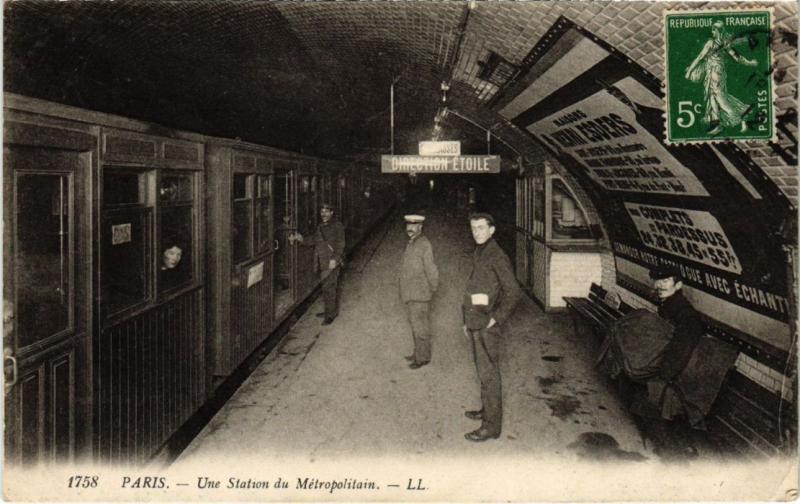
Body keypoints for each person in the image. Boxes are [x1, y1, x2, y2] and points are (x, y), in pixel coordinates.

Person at [462, 213, 522, 442]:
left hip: (487, 324)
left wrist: (496, 318)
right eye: (473, 228)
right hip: (475, 320)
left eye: (481, 228)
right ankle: (487, 411)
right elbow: (474, 287)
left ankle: (491, 427)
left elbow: (513, 291)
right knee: (483, 371)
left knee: (489, 374)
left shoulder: (496, 255)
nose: (476, 232)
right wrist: (465, 320)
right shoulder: (481, 251)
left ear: (492, 230)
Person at [684, 20, 758, 135]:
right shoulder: (724, 43)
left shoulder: (712, 43)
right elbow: (736, 57)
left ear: (716, 30)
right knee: (712, 96)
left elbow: (700, 57)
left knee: (719, 97)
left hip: (715, 73)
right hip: (714, 72)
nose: (712, 31)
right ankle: (716, 123)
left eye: (714, 29)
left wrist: (689, 71)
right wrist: (748, 63)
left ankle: (738, 117)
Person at [290, 202, 345, 325]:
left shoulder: (337, 226)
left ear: (332, 212)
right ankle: (328, 311)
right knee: (326, 287)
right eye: (322, 211)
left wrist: (335, 259)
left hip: (330, 262)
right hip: (322, 261)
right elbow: (314, 240)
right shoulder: (321, 226)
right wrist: (301, 239)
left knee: (329, 288)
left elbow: (341, 244)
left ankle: (330, 315)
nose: (323, 214)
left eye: (326, 211)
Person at [399, 214, 439, 369]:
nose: (410, 228)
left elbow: (431, 269)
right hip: (411, 292)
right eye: (408, 225)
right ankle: (417, 352)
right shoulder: (412, 242)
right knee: (415, 325)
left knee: (420, 327)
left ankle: (422, 358)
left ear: (420, 227)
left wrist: (432, 287)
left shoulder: (424, 244)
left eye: (414, 225)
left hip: (419, 294)